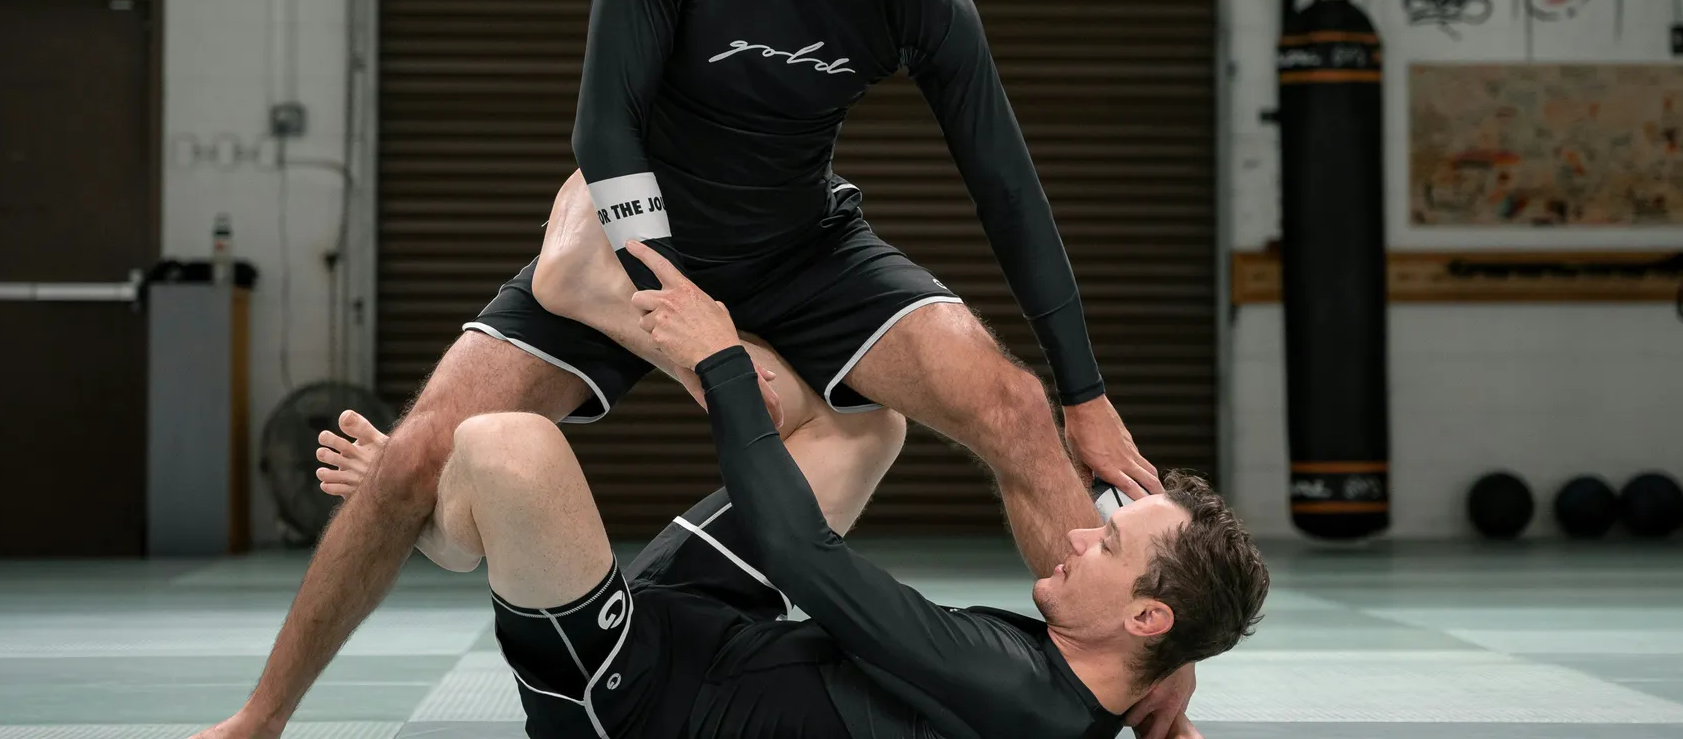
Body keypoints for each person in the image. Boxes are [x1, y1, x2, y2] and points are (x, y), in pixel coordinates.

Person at [196, 0, 1186, 739]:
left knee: (1011, 404)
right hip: (647, 236)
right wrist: (666, 302)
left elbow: (1007, 189)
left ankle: (1125, 700)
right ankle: (261, 718)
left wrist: (1086, 397)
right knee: (412, 455)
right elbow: (605, 126)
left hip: (805, 245)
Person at [313, 238, 1269, 739]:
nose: (1072, 536)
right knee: (867, 425)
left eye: (1106, 547)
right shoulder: (1077, 690)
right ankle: (472, 504)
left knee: (508, 443)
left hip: (624, 697)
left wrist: (721, 360)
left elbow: (802, 557)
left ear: (1147, 619)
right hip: (707, 630)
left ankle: (445, 526)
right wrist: (1166, 685)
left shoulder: (1019, 695)